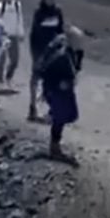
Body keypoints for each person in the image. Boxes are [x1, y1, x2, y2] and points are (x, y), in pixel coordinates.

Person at [35, 33, 81, 161]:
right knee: (60, 118)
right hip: (57, 91)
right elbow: (45, 71)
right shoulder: (61, 56)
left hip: (63, 92)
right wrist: (57, 85)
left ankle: (55, 145)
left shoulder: (70, 53)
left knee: (69, 115)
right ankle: (54, 148)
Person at [28, 0, 66, 121]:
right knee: (36, 79)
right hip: (40, 50)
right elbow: (34, 34)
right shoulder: (39, 12)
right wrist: (35, 55)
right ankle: (32, 108)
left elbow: (61, 30)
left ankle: (52, 110)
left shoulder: (58, 11)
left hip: (54, 51)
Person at [0, 0, 26, 89]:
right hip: (3, 36)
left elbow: (19, 19)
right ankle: (0, 81)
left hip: (13, 35)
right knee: (1, 60)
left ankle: (9, 77)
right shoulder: (0, 7)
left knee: (15, 60)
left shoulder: (17, 5)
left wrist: (21, 33)